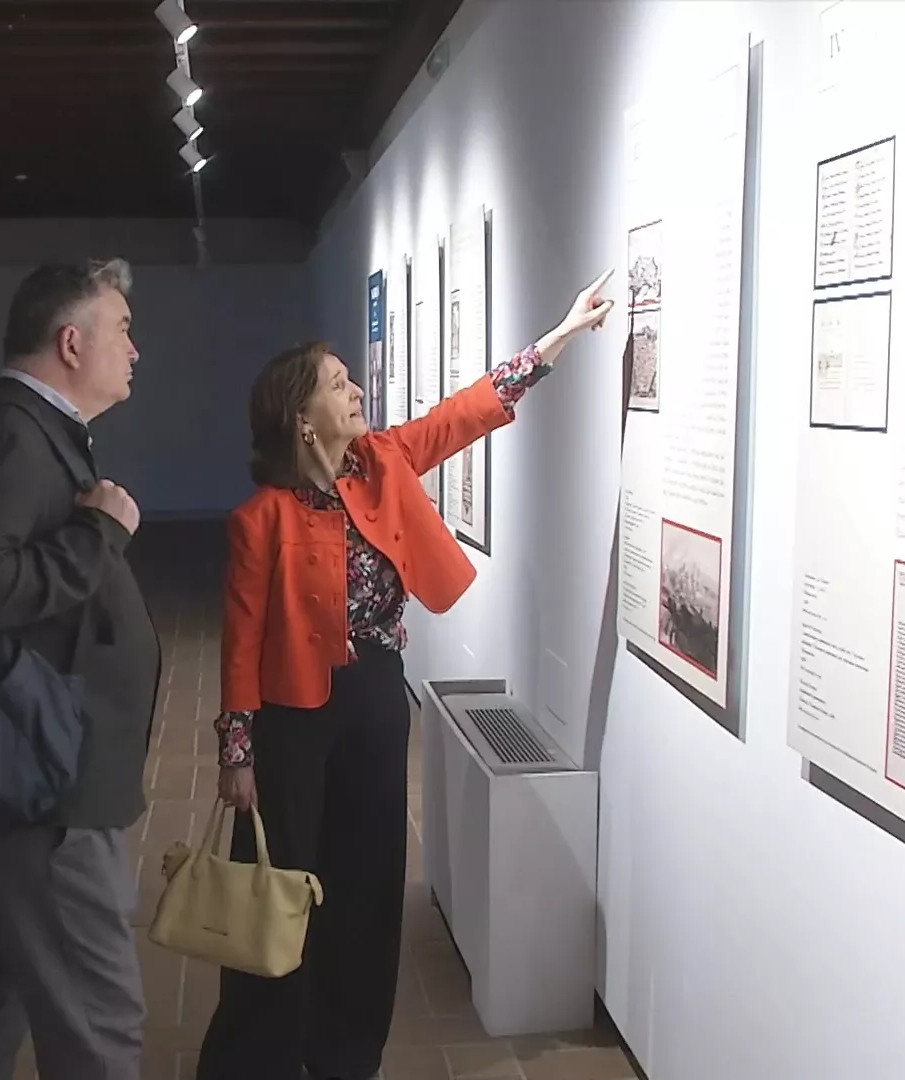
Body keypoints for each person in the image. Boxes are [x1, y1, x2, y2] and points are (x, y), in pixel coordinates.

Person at [197, 271, 618, 1080]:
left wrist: (556, 341)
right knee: (281, 888)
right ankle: (258, 1056)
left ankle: (347, 1054)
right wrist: (236, 752)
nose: (356, 391)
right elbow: (241, 642)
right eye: (337, 384)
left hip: (374, 703)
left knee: (366, 885)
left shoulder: (382, 462)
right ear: (301, 418)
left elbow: (464, 414)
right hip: (292, 714)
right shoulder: (260, 519)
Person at [0, 258, 157, 1080]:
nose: (135, 350)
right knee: (100, 1022)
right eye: (123, 330)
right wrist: (101, 533)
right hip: (44, 786)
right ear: (71, 341)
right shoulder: (8, 435)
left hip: (36, 773)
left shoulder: (29, 430)